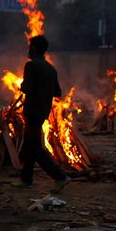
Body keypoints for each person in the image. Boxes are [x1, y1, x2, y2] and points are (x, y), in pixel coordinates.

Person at [12, 35, 71, 192]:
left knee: (36, 147)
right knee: (30, 145)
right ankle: (26, 179)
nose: (28, 49)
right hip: (43, 112)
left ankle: (60, 176)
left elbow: (27, 88)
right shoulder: (51, 69)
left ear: (34, 49)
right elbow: (57, 92)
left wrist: (21, 85)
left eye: (30, 46)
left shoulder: (31, 66)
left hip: (32, 112)